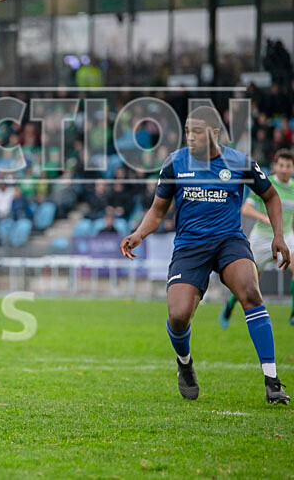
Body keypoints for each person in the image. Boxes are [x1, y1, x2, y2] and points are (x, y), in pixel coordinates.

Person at [120, 112, 290, 405]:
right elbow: (158, 210)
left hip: (229, 241)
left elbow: (271, 196)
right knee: (178, 315)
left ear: (214, 133)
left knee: (251, 292)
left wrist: (278, 235)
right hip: (190, 246)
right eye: (187, 131)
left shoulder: (240, 162)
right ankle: (184, 364)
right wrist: (139, 234)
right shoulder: (175, 162)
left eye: (196, 131)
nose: (189, 136)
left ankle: (272, 381)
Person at [221, 149, 294, 328]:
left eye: (288, 166)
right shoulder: (266, 185)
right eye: (281, 165)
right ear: (275, 167)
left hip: (286, 237)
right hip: (261, 239)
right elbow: (246, 209)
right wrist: (264, 218)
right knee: (250, 283)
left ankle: (293, 314)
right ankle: (230, 306)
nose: (284, 169)